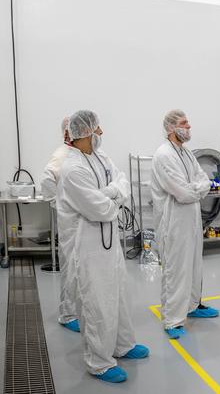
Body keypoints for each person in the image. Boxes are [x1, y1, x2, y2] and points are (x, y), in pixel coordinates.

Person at [59, 110, 148, 383]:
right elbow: (100, 209)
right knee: (97, 302)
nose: (101, 134)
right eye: (97, 130)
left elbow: (121, 182)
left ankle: (123, 345)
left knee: (119, 294)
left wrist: (110, 194)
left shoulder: (100, 156)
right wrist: (112, 196)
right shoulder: (72, 168)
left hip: (110, 243)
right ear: (83, 134)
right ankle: (99, 361)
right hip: (88, 245)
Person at [151, 110, 216, 340]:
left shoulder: (186, 153)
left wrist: (195, 189)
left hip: (192, 219)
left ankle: (193, 305)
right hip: (174, 222)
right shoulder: (164, 155)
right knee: (176, 270)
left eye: (188, 123)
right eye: (183, 123)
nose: (188, 127)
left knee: (195, 265)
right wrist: (195, 190)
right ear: (171, 128)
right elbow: (182, 193)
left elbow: (204, 180)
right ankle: (172, 319)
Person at [40, 117, 81, 333]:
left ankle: (78, 310)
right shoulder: (61, 155)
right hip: (71, 223)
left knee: (81, 268)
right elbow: (47, 181)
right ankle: (68, 314)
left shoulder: (80, 155)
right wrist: (61, 205)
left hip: (83, 223)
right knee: (71, 268)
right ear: (68, 133)